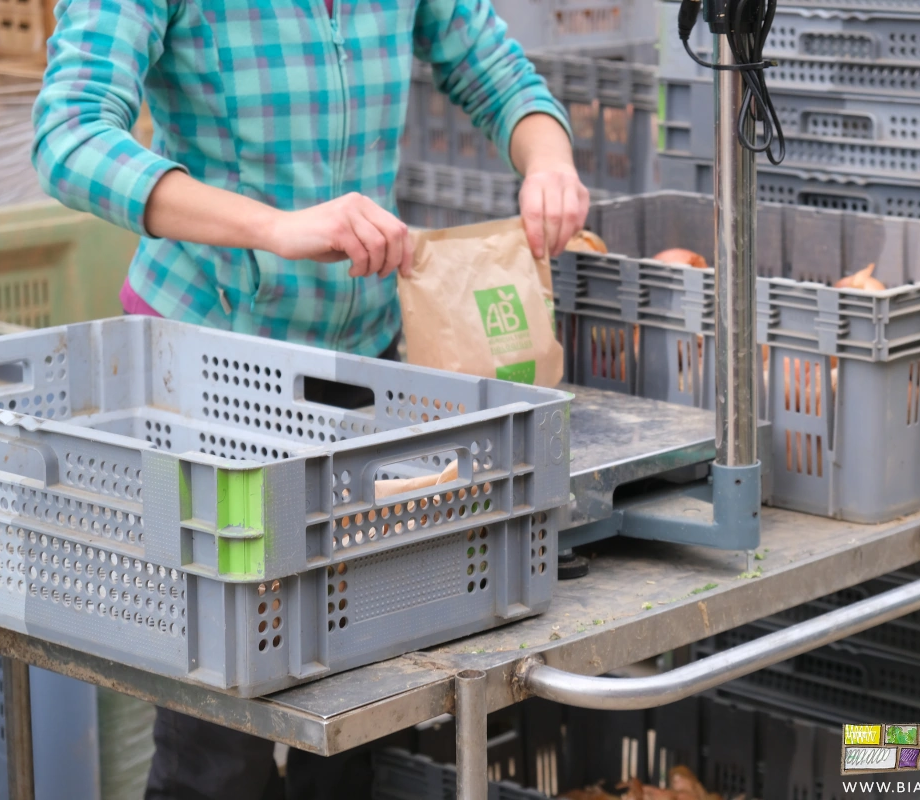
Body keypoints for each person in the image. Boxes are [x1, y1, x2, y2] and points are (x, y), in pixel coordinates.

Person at [30, 0, 590, 791]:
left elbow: (496, 71)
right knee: (221, 731)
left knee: (357, 701)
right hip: (209, 380)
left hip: (357, 382)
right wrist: (270, 226)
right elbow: (69, 137)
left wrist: (548, 161)